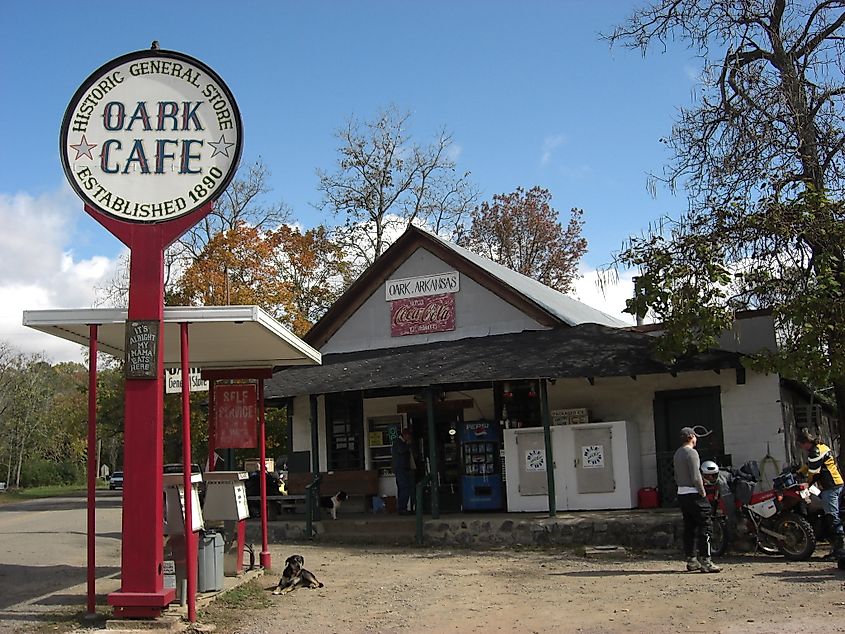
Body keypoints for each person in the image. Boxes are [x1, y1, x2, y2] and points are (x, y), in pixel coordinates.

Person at [674, 427, 721, 573]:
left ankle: (691, 560)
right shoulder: (692, 453)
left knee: (689, 528)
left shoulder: (677, 453)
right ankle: (706, 560)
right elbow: (695, 477)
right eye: (696, 437)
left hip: (682, 493)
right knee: (706, 526)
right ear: (691, 436)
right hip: (694, 493)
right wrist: (703, 493)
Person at [796, 428, 845, 558]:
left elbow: (813, 473)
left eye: (801, 445)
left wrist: (807, 484)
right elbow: (811, 464)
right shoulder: (821, 446)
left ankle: (840, 551)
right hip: (837, 483)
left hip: (830, 486)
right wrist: (800, 471)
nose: (802, 448)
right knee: (831, 515)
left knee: (832, 517)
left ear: (805, 442)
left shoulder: (815, 452)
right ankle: (837, 549)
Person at [392, 428, 413, 515]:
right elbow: (401, 450)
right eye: (408, 435)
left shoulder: (400, 443)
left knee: (403, 488)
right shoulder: (398, 442)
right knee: (405, 487)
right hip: (400, 468)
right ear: (405, 435)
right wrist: (408, 445)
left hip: (403, 468)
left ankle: (402, 507)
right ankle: (402, 508)